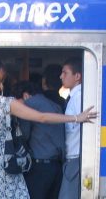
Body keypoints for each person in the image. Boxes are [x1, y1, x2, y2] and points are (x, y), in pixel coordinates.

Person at [0, 60, 96, 199]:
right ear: (3, 79)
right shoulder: (7, 103)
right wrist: (76, 118)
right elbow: (42, 117)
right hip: (7, 171)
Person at [13, 80, 65, 199]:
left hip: (38, 167)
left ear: (25, 95)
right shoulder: (55, 106)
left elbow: (24, 136)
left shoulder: (29, 105)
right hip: (56, 166)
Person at [58, 57, 83, 199]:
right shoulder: (74, 96)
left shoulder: (79, 97)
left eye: (65, 72)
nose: (61, 76)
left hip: (74, 157)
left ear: (77, 76)